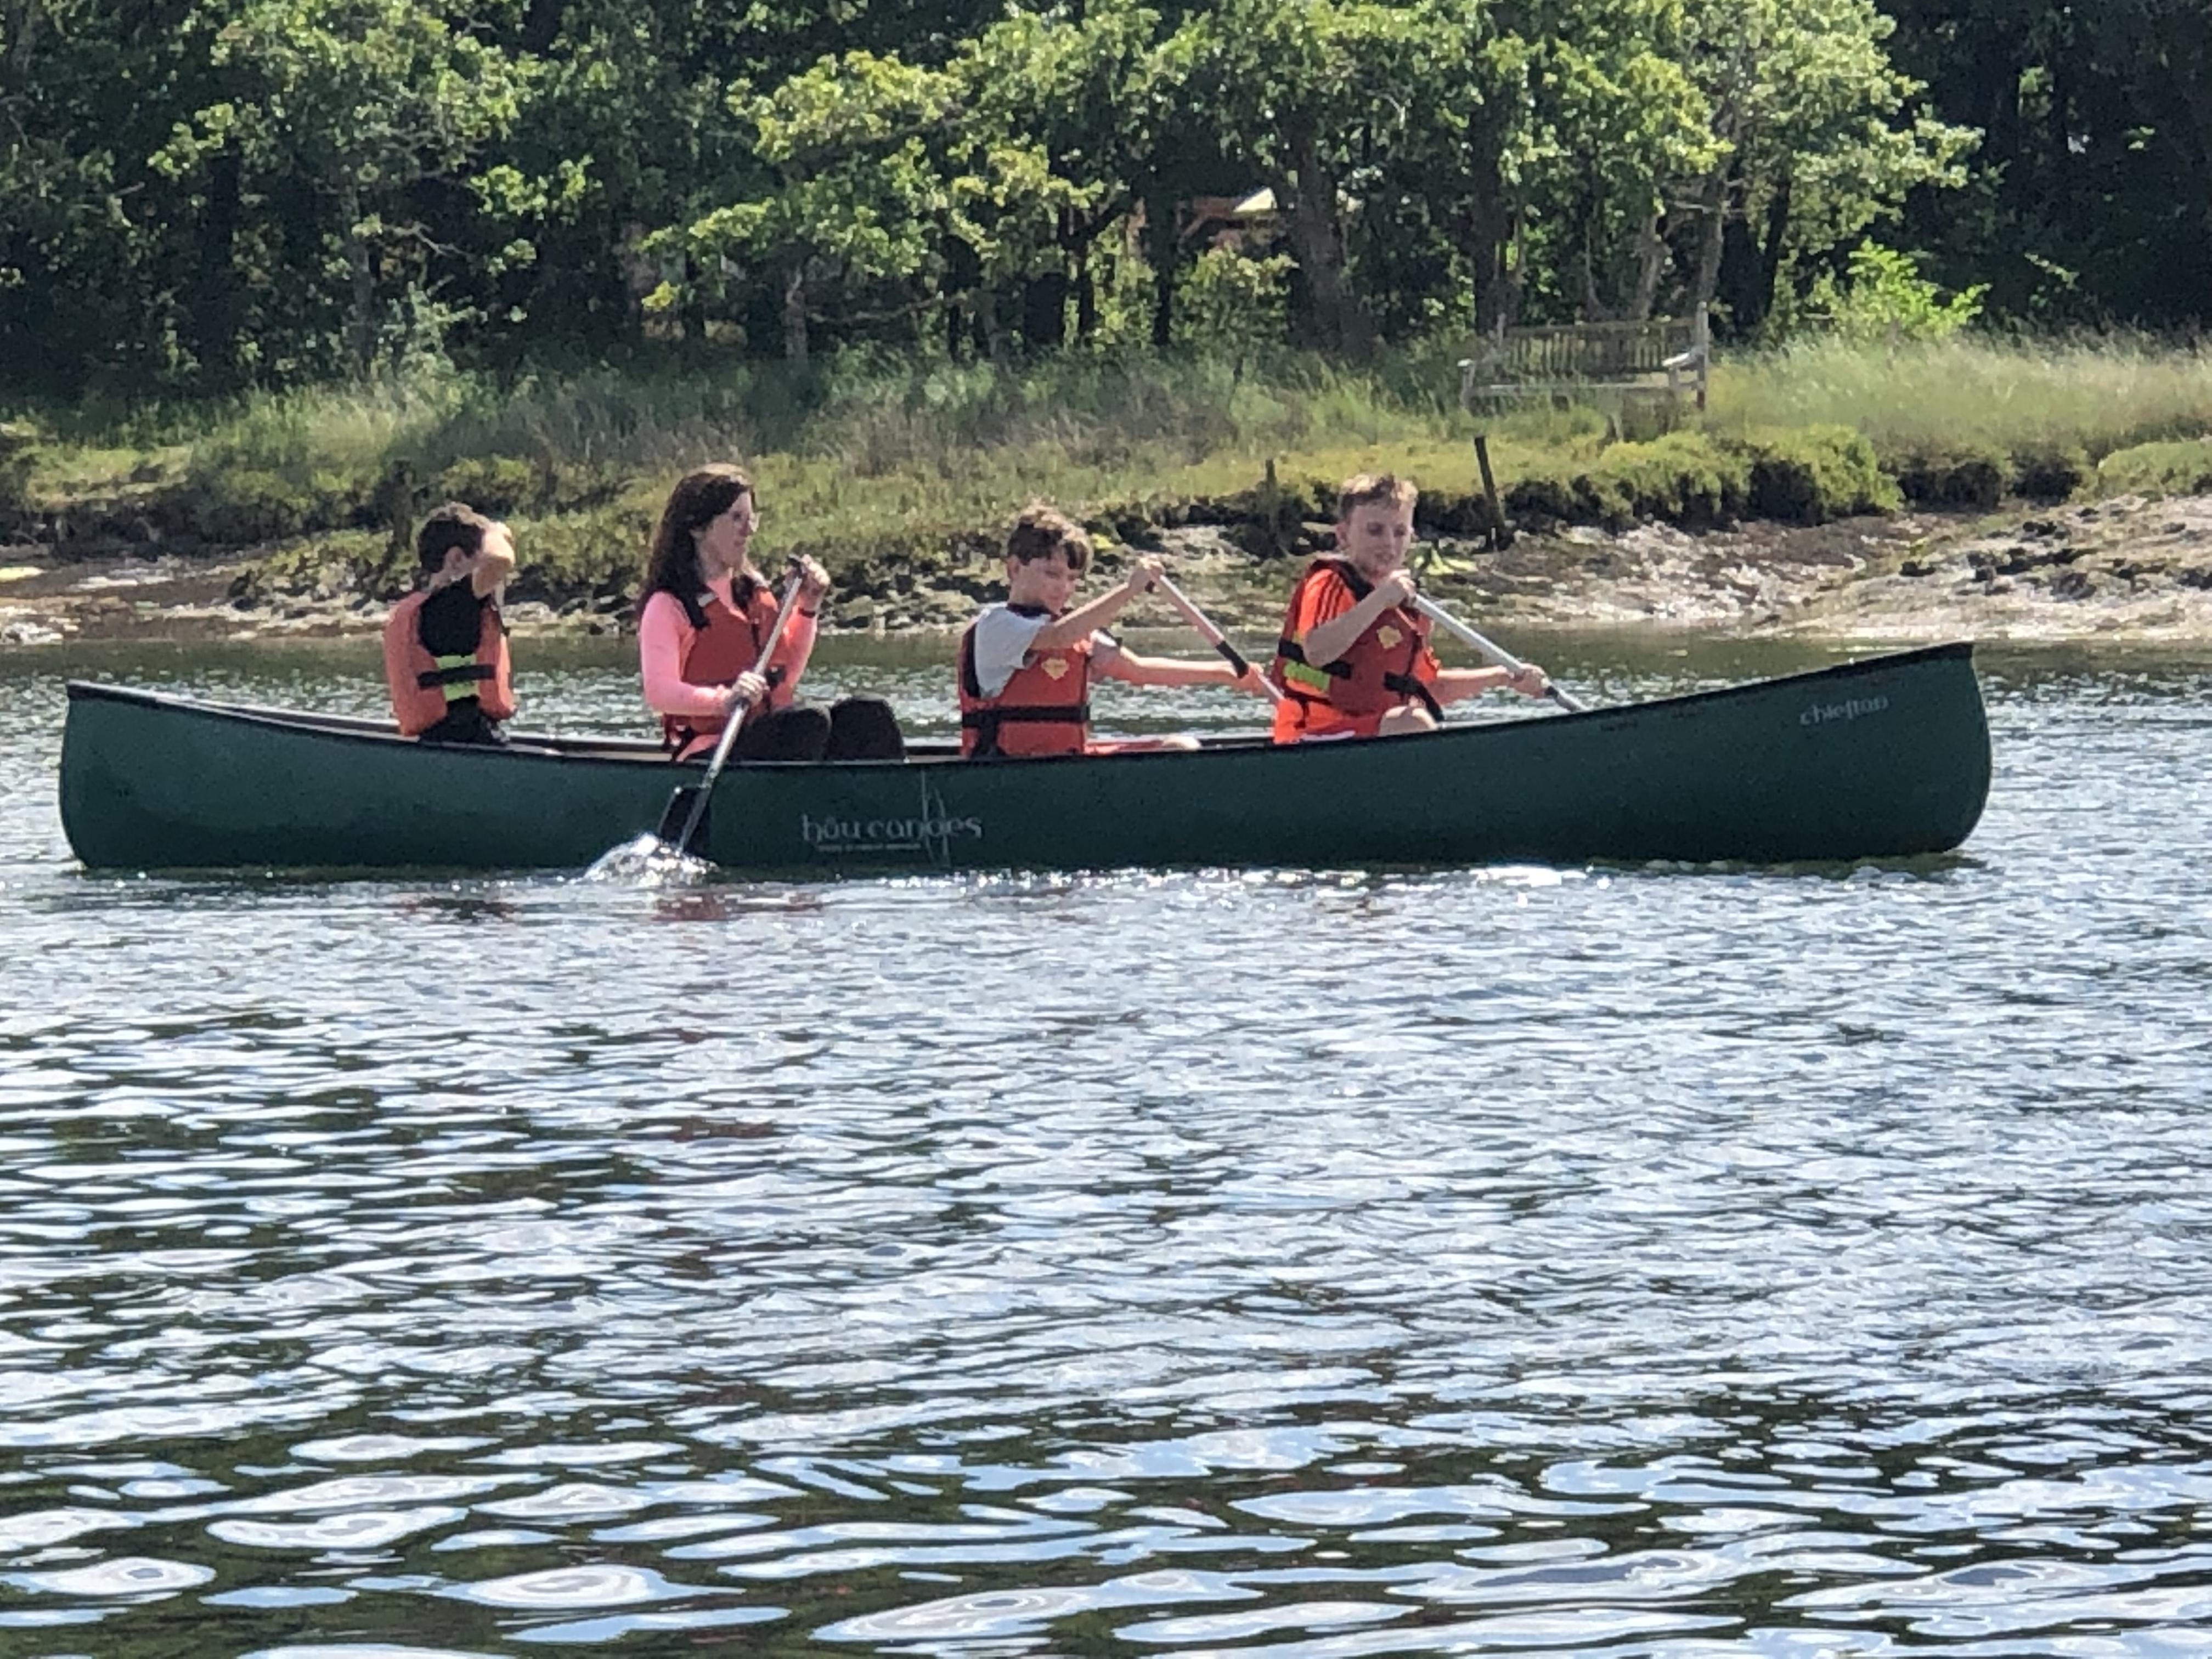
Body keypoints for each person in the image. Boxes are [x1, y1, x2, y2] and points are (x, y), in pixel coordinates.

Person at [637, 464, 904, 763]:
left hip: (769, 733)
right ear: (697, 528)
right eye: (736, 518)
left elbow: (785, 676)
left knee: (868, 714)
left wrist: (807, 607)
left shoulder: (751, 594)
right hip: (712, 750)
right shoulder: (669, 606)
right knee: (806, 722)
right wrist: (725, 700)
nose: (748, 530)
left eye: (751, 518)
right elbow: (660, 693)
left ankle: (894, 790)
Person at [957, 504, 1269, 758]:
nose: (1063, 588)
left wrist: (1223, 673)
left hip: (1068, 766)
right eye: (1052, 574)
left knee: (1181, 748)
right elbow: (1059, 637)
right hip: (1008, 768)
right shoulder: (997, 626)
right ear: (1014, 568)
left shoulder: (1077, 631)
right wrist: (1129, 589)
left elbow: (1139, 670)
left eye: (1072, 578)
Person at [1269, 472, 1550, 743]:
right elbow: (1316, 651)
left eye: (1400, 532)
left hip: (1365, 735)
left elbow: (1429, 687)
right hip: (1310, 735)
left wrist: (1502, 677)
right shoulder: (1329, 582)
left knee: (1415, 717)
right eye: (1375, 531)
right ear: (1343, 536)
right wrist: (1380, 599)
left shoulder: (1405, 609)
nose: (1389, 543)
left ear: (1411, 538)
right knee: (1411, 722)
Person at [382, 502, 517, 746]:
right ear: (456, 558)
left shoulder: (426, 608)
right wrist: (494, 531)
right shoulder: (452, 606)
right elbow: (501, 559)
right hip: (471, 741)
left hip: (437, 741)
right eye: (478, 558)